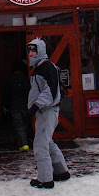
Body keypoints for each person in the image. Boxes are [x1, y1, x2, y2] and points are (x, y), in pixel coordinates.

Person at [26, 38, 70, 188]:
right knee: (47, 141)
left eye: (34, 51)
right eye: (30, 51)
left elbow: (51, 92)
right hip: (44, 111)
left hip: (47, 110)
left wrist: (35, 106)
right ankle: (60, 171)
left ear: (41, 52)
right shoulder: (39, 68)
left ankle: (45, 179)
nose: (31, 54)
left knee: (40, 145)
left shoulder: (47, 68)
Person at [4, 61, 31, 152]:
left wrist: (6, 105)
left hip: (15, 106)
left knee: (19, 126)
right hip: (25, 105)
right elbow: (29, 91)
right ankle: (27, 141)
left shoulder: (10, 79)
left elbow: (7, 93)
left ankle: (23, 144)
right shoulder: (25, 79)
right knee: (25, 124)